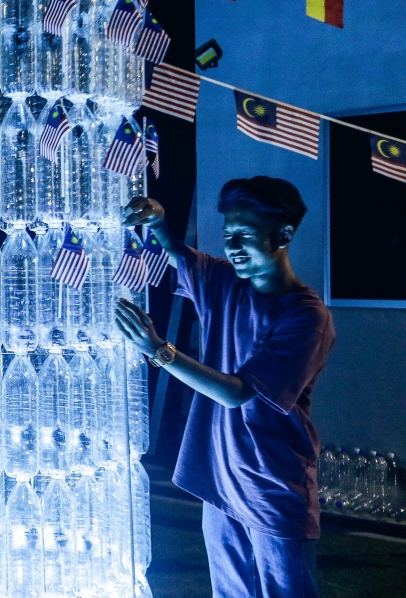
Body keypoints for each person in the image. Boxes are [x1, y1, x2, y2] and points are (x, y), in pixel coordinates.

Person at [116, 177, 335, 598]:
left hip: (271, 484)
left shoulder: (307, 317)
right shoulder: (224, 283)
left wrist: (158, 350)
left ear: (284, 235)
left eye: (245, 235)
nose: (232, 245)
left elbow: (238, 392)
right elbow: (178, 255)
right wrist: (159, 221)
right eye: (228, 233)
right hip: (218, 480)